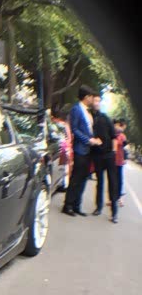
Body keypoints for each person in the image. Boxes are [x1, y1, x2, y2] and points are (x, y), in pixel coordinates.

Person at [63, 85, 101, 217]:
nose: (92, 99)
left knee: (83, 178)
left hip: (89, 150)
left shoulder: (88, 112)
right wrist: (88, 140)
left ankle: (76, 206)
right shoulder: (76, 109)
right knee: (76, 178)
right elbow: (75, 129)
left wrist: (94, 140)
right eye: (91, 97)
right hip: (80, 149)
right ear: (86, 97)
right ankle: (67, 205)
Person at [90, 94, 119, 222]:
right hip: (97, 155)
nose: (96, 103)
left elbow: (114, 137)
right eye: (95, 100)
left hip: (108, 155)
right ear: (92, 102)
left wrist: (113, 152)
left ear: (100, 103)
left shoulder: (105, 118)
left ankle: (114, 212)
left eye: (98, 101)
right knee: (99, 182)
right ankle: (98, 207)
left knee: (112, 182)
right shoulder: (89, 117)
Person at [114, 118, 128, 204]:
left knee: (118, 180)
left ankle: (118, 198)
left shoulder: (122, 136)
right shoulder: (118, 135)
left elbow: (125, 147)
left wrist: (125, 158)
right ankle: (114, 198)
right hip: (115, 160)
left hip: (119, 161)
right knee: (115, 180)